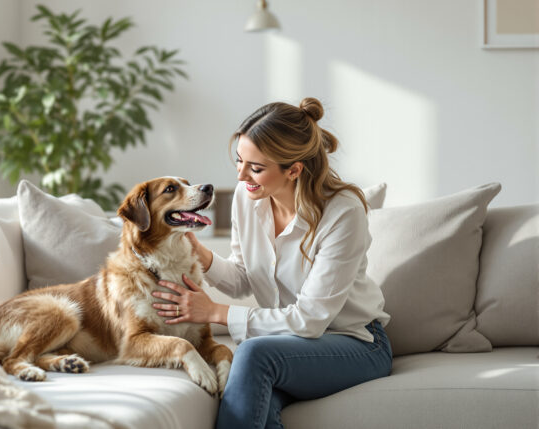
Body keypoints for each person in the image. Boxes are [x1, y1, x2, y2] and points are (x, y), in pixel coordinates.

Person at [151, 98, 392, 429]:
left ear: (294, 170)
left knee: (252, 354)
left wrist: (215, 312)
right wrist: (201, 255)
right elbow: (243, 278)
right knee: (257, 408)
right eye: (239, 161)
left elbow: (310, 319)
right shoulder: (247, 196)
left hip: (356, 344)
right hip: (287, 344)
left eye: (255, 168)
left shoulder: (343, 212)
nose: (241, 175)